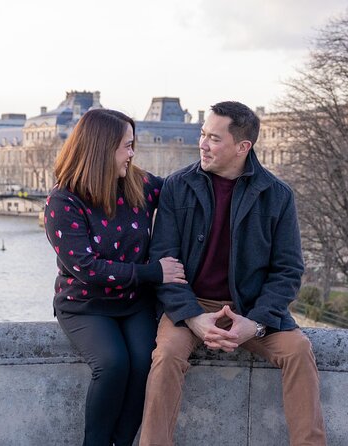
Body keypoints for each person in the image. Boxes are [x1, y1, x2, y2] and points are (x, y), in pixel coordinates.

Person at [140, 101, 326, 446]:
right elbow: (164, 263)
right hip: (191, 304)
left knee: (298, 350)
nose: (202, 144)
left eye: (213, 138)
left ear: (243, 147)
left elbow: (288, 271)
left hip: (251, 307)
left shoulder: (277, 195)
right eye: (202, 134)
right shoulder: (177, 187)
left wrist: (254, 323)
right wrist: (193, 318)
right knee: (165, 357)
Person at [44, 108, 186, 446]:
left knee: (143, 365)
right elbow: (87, 269)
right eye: (127, 146)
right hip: (85, 304)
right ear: (102, 149)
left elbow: (180, 191)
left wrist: (218, 163)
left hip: (134, 302)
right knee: (112, 364)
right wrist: (154, 272)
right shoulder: (63, 201)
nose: (132, 154)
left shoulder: (137, 184)